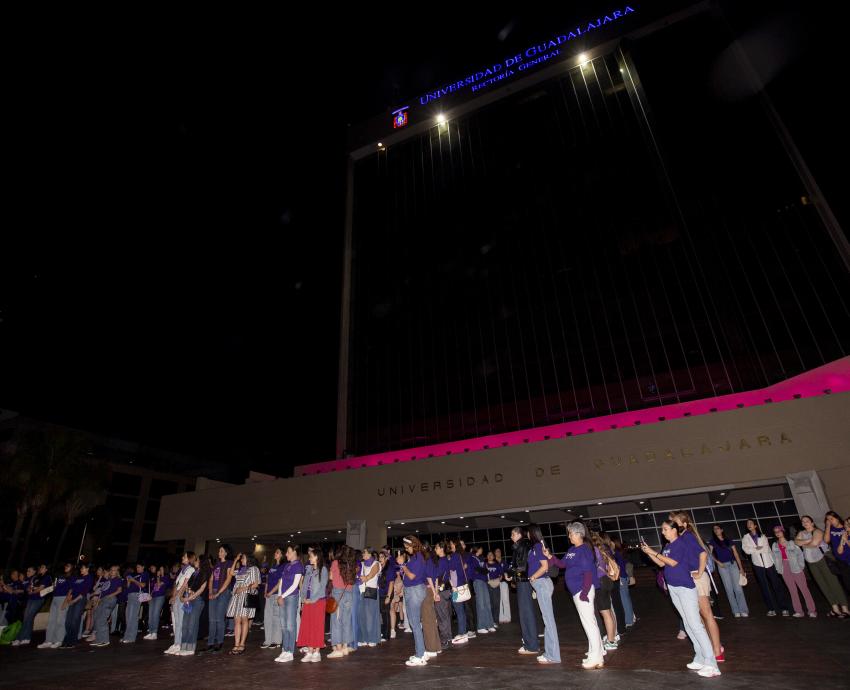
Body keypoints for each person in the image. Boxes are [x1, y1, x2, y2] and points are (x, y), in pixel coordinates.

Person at [641, 521, 721, 678]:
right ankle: (699, 657)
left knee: (696, 625)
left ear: (674, 530)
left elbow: (673, 562)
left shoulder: (680, 544)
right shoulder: (668, 546)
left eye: (665, 529)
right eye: (662, 530)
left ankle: (712, 663)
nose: (662, 532)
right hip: (674, 587)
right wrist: (649, 553)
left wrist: (654, 552)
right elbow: (662, 564)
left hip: (685, 587)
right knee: (687, 623)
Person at [546, 521, 604, 669]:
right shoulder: (572, 549)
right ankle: (594, 652)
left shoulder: (584, 550)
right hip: (577, 591)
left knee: (589, 623)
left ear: (579, 534)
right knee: (589, 622)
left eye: (571, 533)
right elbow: (562, 565)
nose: (569, 536)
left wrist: (584, 593)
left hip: (582, 590)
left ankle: (597, 657)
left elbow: (588, 573)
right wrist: (550, 556)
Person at [670, 512, 723, 662]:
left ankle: (717, 649)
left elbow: (703, 554)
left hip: (697, 578)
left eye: (676, 522)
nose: (674, 525)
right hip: (689, 578)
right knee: (698, 617)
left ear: (684, 524)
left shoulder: (687, 536)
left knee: (706, 614)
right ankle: (709, 647)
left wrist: (699, 572)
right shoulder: (681, 539)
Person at [795, 515, 849, 618]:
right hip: (811, 563)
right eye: (803, 521)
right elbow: (796, 542)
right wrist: (807, 541)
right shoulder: (801, 533)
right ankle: (835, 609)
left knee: (833, 583)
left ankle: (845, 609)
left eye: (807, 521)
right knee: (823, 585)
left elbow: (815, 543)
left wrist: (804, 543)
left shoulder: (817, 531)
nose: (805, 523)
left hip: (822, 560)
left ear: (812, 522)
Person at [741, 518, 791, 616]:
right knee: (764, 587)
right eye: (747, 524)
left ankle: (784, 608)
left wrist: (754, 549)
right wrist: (756, 548)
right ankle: (771, 609)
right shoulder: (745, 538)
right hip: (757, 564)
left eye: (751, 523)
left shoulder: (762, 536)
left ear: (755, 525)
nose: (749, 525)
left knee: (776, 585)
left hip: (769, 563)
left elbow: (765, 549)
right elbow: (746, 550)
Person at [527, 523, 560, 664]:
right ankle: (549, 653)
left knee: (548, 620)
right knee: (547, 619)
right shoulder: (539, 546)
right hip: (542, 585)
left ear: (532, 533)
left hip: (541, 584)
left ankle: (553, 655)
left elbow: (545, 566)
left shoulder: (537, 546)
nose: (527, 535)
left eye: (528, 532)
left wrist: (533, 577)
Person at [504, 525, 539, 655]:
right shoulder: (521, 546)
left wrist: (512, 574)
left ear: (519, 535)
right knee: (525, 612)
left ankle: (532, 645)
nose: (511, 537)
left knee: (526, 613)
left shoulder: (522, 545)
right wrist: (511, 575)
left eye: (512, 534)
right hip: (523, 581)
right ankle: (529, 642)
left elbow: (522, 566)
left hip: (524, 582)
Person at [771, 525, 816, 618]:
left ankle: (812, 610)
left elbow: (800, 554)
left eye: (779, 531)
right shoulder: (775, 545)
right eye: (775, 532)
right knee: (792, 590)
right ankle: (799, 611)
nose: (777, 533)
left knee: (804, 589)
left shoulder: (792, 542)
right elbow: (774, 559)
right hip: (784, 568)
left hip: (795, 566)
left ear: (783, 531)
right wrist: (779, 569)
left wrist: (800, 566)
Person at [708, 525, 749, 618]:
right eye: (714, 529)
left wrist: (741, 568)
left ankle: (743, 610)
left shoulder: (728, 540)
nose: (716, 530)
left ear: (722, 530)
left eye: (717, 528)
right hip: (722, 567)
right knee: (729, 589)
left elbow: (735, 553)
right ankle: (736, 611)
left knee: (738, 589)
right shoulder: (712, 541)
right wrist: (718, 562)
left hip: (733, 564)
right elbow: (709, 554)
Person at [295, 545, 327, 663]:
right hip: (307, 601)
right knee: (307, 625)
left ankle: (317, 652)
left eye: (311, 557)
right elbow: (303, 586)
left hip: (318, 601)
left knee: (317, 626)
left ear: (317, 557)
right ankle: (309, 651)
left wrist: (312, 599)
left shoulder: (323, 569)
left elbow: (322, 587)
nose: (309, 558)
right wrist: (303, 598)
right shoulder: (308, 569)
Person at [400, 535, 429, 666]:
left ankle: (420, 655)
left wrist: (403, 565)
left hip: (414, 591)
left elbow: (411, 576)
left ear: (413, 545)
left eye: (407, 547)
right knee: (415, 623)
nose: (406, 550)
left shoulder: (417, 557)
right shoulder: (417, 557)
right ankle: (421, 652)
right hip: (414, 590)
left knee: (415, 624)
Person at [274, 545, 304, 663]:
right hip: (283, 597)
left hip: (291, 597)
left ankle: (290, 651)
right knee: (283, 625)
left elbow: (295, 585)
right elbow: (281, 582)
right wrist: (279, 595)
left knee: (290, 625)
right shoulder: (286, 565)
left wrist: (283, 596)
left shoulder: (298, 566)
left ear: (295, 553)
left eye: (288, 552)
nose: (286, 554)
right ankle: (284, 649)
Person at [590, 532, 619, 652]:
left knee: (605, 613)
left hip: (600, 582)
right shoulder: (604, 549)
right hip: (608, 581)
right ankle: (613, 636)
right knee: (609, 610)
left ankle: (611, 641)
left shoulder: (594, 551)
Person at [226, 553, 260, 655]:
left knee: (244, 619)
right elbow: (231, 573)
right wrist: (235, 560)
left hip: (246, 596)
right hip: (237, 597)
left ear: (249, 559)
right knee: (237, 620)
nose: (241, 560)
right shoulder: (241, 569)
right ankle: (236, 644)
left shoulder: (254, 569)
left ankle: (242, 644)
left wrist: (243, 588)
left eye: (243, 558)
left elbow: (256, 584)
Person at [203, 544, 234, 652]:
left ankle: (219, 641)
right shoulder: (217, 564)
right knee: (212, 619)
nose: (219, 552)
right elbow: (211, 579)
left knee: (219, 618)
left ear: (226, 552)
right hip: (214, 591)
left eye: (221, 551)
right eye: (219, 550)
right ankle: (210, 643)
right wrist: (211, 591)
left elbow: (229, 579)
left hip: (224, 592)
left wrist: (219, 592)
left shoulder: (229, 563)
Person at [164, 552, 196, 655]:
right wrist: (173, 596)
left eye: (185, 556)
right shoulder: (182, 570)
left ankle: (180, 644)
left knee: (181, 622)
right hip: (176, 596)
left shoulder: (191, 569)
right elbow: (176, 584)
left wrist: (176, 596)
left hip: (181, 597)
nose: (183, 557)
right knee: (176, 622)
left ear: (189, 559)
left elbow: (184, 584)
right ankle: (176, 643)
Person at [328, 545, 356, 658]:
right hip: (349, 593)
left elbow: (331, 577)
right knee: (346, 621)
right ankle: (345, 647)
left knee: (336, 621)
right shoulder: (351, 565)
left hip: (338, 594)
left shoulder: (335, 563)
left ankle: (338, 649)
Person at [39, 562, 73, 649]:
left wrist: (65, 602)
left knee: (60, 620)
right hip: (54, 598)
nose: (66, 567)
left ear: (72, 568)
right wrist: (45, 591)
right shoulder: (59, 576)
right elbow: (54, 586)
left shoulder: (71, 577)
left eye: (68, 566)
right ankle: (48, 640)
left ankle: (59, 640)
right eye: (65, 565)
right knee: (51, 620)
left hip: (63, 598)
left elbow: (71, 590)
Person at [59, 563, 93, 648]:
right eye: (81, 568)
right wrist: (67, 601)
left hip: (80, 600)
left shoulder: (89, 577)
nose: (81, 569)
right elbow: (71, 589)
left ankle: (72, 641)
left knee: (74, 621)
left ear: (87, 569)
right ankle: (67, 640)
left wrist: (74, 600)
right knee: (68, 622)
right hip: (72, 600)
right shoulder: (78, 577)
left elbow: (84, 591)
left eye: (83, 568)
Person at [426, 541, 452, 650]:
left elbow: (438, 578)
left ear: (441, 549)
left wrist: (435, 592)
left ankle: (445, 640)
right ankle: (448, 638)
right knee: (445, 615)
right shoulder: (446, 560)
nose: (435, 550)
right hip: (446, 590)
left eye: (436, 547)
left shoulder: (441, 561)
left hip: (441, 590)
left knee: (442, 616)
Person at [90, 564, 122, 648]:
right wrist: (98, 600)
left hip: (110, 600)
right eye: (111, 569)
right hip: (102, 600)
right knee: (97, 618)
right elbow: (102, 591)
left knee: (102, 619)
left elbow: (119, 590)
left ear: (117, 572)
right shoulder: (108, 580)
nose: (112, 571)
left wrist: (110, 595)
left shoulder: (118, 579)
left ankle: (104, 640)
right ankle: (98, 639)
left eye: (114, 570)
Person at [446, 538, 471, 645]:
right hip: (462, 584)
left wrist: (452, 586)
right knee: (461, 611)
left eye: (451, 544)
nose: (450, 546)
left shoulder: (454, 556)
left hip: (456, 587)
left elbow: (451, 570)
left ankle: (462, 633)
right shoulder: (460, 555)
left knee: (459, 610)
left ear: (455, 545)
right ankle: (464, 632)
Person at [357, 546, 381, 647]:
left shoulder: (376, 563)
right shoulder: (361, 564)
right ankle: (363, 638)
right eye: (363, 553)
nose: (364, 555)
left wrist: (365, 578)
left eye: (365, 553)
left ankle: (373, 638)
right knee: (361, 616)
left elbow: (372, 574)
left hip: (371, 591)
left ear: (371, 554)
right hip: (362, 591)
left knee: (371, 616)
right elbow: (357, 573)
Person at [261, 548, 285, 649]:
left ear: (281, 555)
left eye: (277, 552)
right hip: (269, 595)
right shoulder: (272, 566)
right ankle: (268, 640)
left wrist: (271, 592)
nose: (275, 553)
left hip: (276, 594)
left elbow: (280, 582)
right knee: (267, 618)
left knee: (276, 618)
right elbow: (268, 580)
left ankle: (277, 640)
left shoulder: (283, 566)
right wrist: (266, 591)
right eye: (275, 552)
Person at [611, 537, 636, 629]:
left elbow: (620, 568)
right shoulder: (620, 553)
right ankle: (631, 618)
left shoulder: (616, 554)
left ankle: (628, 620)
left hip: (621, 577)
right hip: (624, 577)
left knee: (624, 599)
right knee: (626, 598)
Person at [469, 545, 495, 634]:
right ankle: (481, 626)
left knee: (487, 603)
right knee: (481, 604)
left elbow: (483, 570)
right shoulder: (472, 558)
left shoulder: (481, 559)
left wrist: (481, 570)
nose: (482, 550)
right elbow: (472, 571)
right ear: (477, 549)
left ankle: (490, 624)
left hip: (484, 581)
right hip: (477, 581)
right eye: (480, 548)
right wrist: (480, 571)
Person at [121, 562, 149, 644]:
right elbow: (128, 587)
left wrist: (133, 580)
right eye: (137, 567)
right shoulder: (134, 575)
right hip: (130, 596)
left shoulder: (144, 574)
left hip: (137, 595)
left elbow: (143, 585)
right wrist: (129, 581)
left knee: (133, 617)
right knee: (128, 616)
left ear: (143, 567)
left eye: (139, 567)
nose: (137, 568)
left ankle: (131, 637)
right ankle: (127, 636)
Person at [824, 511, 850, 593]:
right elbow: (826, 540)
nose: (830, 521)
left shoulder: (846, 527)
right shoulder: (831, 529)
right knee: (847, 582)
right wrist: (828, 526)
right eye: (828, 520)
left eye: (832, 519)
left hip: (848, 557)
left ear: (837, 518)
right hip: (840, 559)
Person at [144, 566, 170, 639]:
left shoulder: (165, 578)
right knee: (151, 614)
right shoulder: (154, 578)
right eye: (160, 569)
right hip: (153, 597)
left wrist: (159, 576)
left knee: (155, 614)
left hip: (160, 597)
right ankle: (150, 632)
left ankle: (154, 633)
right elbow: (152, 589)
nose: (160, 570)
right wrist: (149, 597)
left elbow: (158, 585)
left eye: (162, 569)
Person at [386, 550, 406, 641]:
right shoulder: (388, 565)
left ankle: (394, 628)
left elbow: (398, 577)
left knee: (394, 608)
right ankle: (393, 628)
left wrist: (399, 589)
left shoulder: (395, 564)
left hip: (396, 588)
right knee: (394, 608)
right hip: (391, 588)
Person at [494, 547, 511, 623]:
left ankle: (507, 617)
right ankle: (500, 618)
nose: (498, 553)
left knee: (506, 599)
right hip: (496, 583)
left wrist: (504, 576)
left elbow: (507, 571)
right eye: (497, 551)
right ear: (495, 553)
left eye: (499, 551)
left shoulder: (504, 562)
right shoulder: (493, 562)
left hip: (504, 582)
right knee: (499, 600)